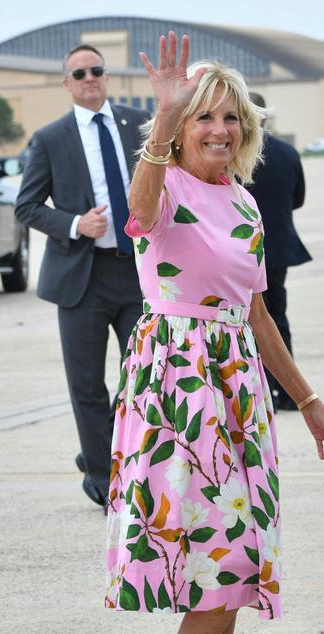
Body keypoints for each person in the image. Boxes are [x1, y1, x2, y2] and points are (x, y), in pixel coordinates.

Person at [105, 32, 324, 632]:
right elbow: (138, 216)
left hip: (237, 387)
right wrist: (163, 119)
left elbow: (257, 314)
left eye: (231, 116)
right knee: (216, 570)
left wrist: (307, 401)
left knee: (232, 569)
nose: (219, 128)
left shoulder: (245, 203)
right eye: (204, 116)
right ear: (180, 126)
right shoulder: (165, 186)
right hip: (179, 386)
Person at [15, 44, 149, 508]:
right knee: (87, 385)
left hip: (138, 274)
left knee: (142, 379)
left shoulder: (139, 124)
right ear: (67, 83)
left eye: (96, 70)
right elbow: (26, 206)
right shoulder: (51, 138)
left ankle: (116, 455)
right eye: (79, 73)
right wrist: (75, 224)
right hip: (82, 279)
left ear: (106, 77)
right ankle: (103, 479)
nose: (89, 78)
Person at [246, 92, 312, 411]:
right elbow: (298, 198)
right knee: (277, 318)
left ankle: (258, 387)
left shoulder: (235, 155)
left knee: (247, 321)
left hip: (243, 250)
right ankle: (286, 392)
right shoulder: (287, 152)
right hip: (278, 248)